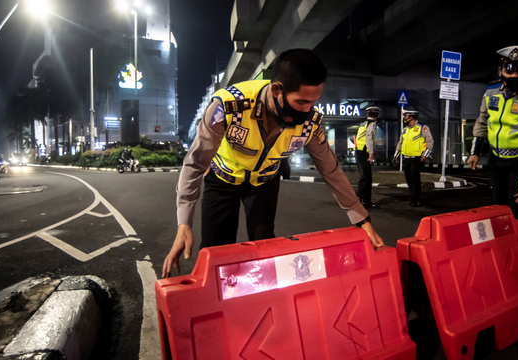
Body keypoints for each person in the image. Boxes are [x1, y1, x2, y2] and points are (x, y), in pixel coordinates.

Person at [162, 49, 384, 278]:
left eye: (314, 102)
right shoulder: (229, 107)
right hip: (222, 179)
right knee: (215, 253)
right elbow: (195, 163)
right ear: (277, 89)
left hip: (264, 182)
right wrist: (184, 224)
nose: (308, 111)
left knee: (264, 250)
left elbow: (331, 170)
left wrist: (362, 220)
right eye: (301, 102)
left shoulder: (310, 123)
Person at [467, 46, 518, 220]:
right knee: (498, 208)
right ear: (500, 70)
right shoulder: (491, 91)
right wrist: (474, 152)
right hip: (496, 159)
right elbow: (482, 120)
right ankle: (503, 244)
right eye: (509, 69)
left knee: (517, 209)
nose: (514, 75)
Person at [393, 110, 433, 207]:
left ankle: (416, 199)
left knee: (415, 179)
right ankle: (413, 197)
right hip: (406, 158)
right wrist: (396, 155)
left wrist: (425, 155)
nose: (404, 118)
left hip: (417, 158)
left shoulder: (422, 127)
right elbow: (400, 143)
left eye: (406, 116)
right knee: (409, 179)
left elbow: (430, 142)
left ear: (411, 117)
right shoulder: (405, 129)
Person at [355, 106, 380, 209]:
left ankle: (367, 202)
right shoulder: (372, 124)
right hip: (364, 153)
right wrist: (370, 153)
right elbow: (369, 138)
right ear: (377, 116)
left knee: (367, 178)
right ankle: (358, 200)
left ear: (367, 115)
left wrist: (373, 151)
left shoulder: (363, 124)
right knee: (365, 177)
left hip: (359, 151)